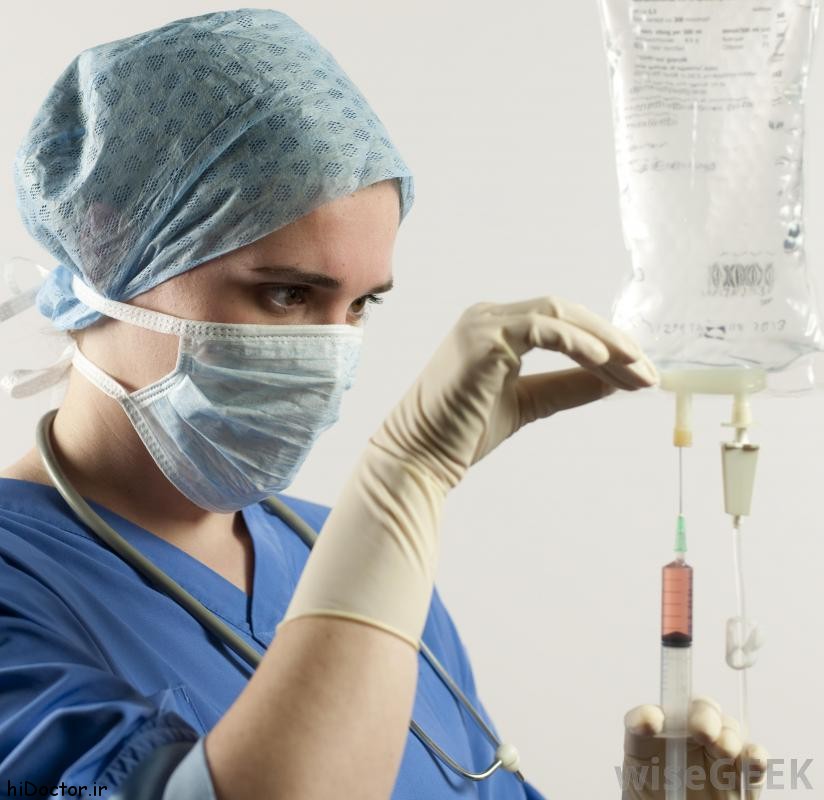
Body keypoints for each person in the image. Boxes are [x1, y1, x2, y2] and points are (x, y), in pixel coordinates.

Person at [0, 8, 767, 799]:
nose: (333, 353)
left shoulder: (346, 557)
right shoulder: (18, 579)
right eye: (288, 294)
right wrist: (407, 478)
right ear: (107, 248)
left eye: (362, 305)